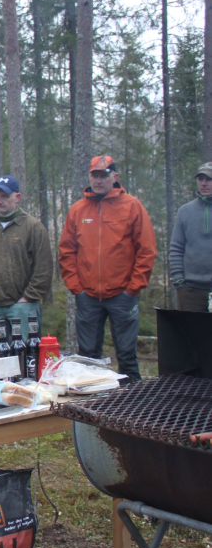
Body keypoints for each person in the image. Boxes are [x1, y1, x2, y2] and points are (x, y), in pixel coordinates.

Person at [59, 155, 156, 381]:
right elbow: (67, 252)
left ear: (115, 176)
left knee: (127, 356)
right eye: (95, 175)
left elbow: (147, 250)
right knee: (88, 358)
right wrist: (77, 289)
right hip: (88, 297)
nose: (99, 180)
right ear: (90, 177)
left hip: (122, 295)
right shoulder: (78, 210)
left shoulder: (132, 206)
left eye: (104, 175)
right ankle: (90, 410)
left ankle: (134, 408)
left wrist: (133, 289)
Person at [0, 175, 53, 339]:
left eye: (5, 196)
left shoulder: (33, 227)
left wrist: (27, 298)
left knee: (25, 356)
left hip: (23, 305)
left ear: (17, 197)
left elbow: (43, 269)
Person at [169, 162, 212, 312]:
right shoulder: (185, 211)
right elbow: (176, 248)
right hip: (190, 290)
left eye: (209, 179)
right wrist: (179, 280)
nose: (204, 183)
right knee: (191, 334)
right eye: (200, 179)